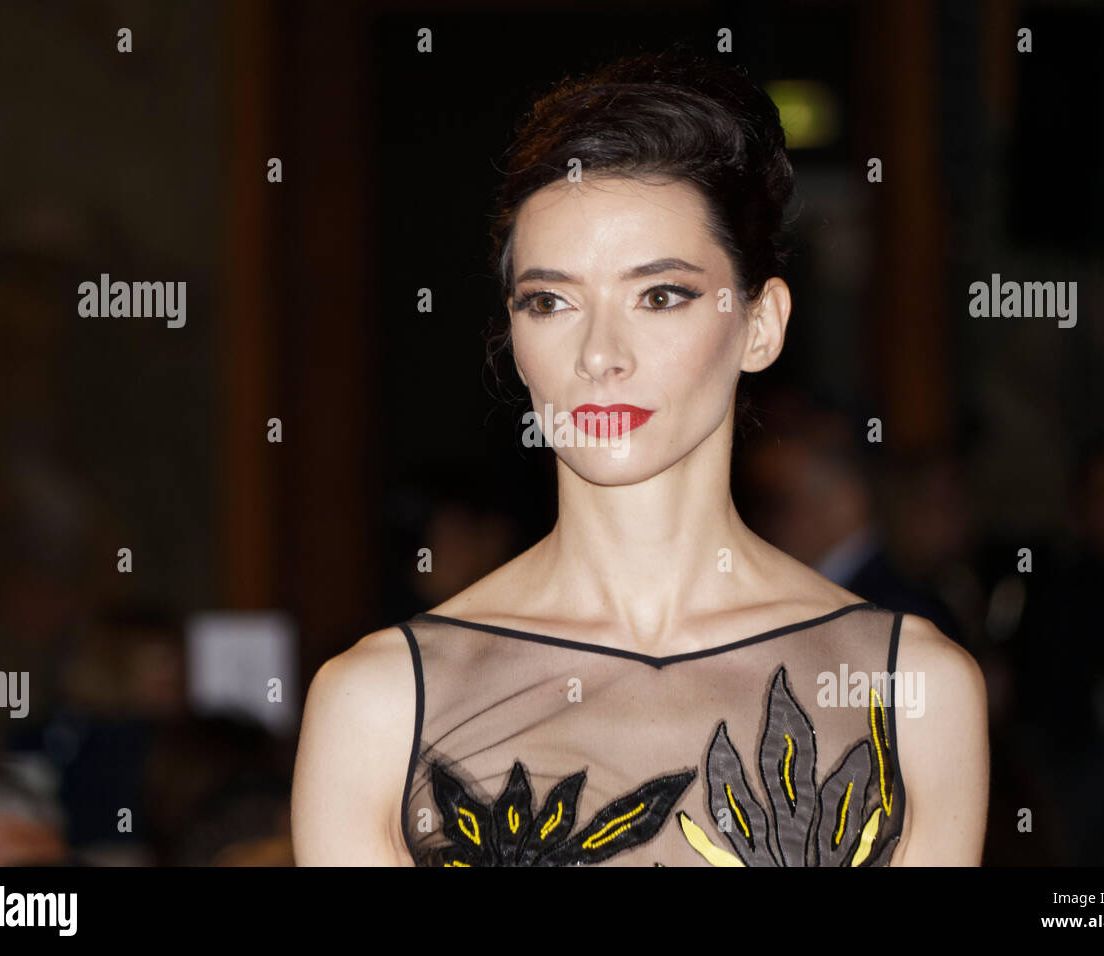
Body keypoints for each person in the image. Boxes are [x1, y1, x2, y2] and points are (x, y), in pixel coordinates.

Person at [292, 50, 988, 866]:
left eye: (660, 296)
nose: (600, 354)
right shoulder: (377, 705)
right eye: (551, 302)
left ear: (760, 325)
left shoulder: (913, 690)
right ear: (515, 340)